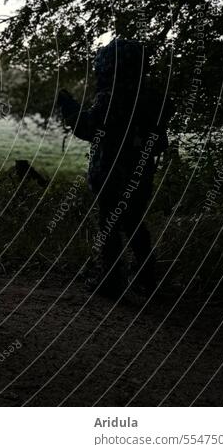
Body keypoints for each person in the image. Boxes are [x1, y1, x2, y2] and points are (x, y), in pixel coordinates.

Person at [57, 38, 171, 299]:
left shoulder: (111, 97)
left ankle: (110, 281)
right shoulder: (150, 98)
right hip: (141, 173)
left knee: (108, 224)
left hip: (111, 173)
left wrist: (68, 106)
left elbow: (87, 127)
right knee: (133, 222)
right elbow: (159, 141)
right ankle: (146, 278)